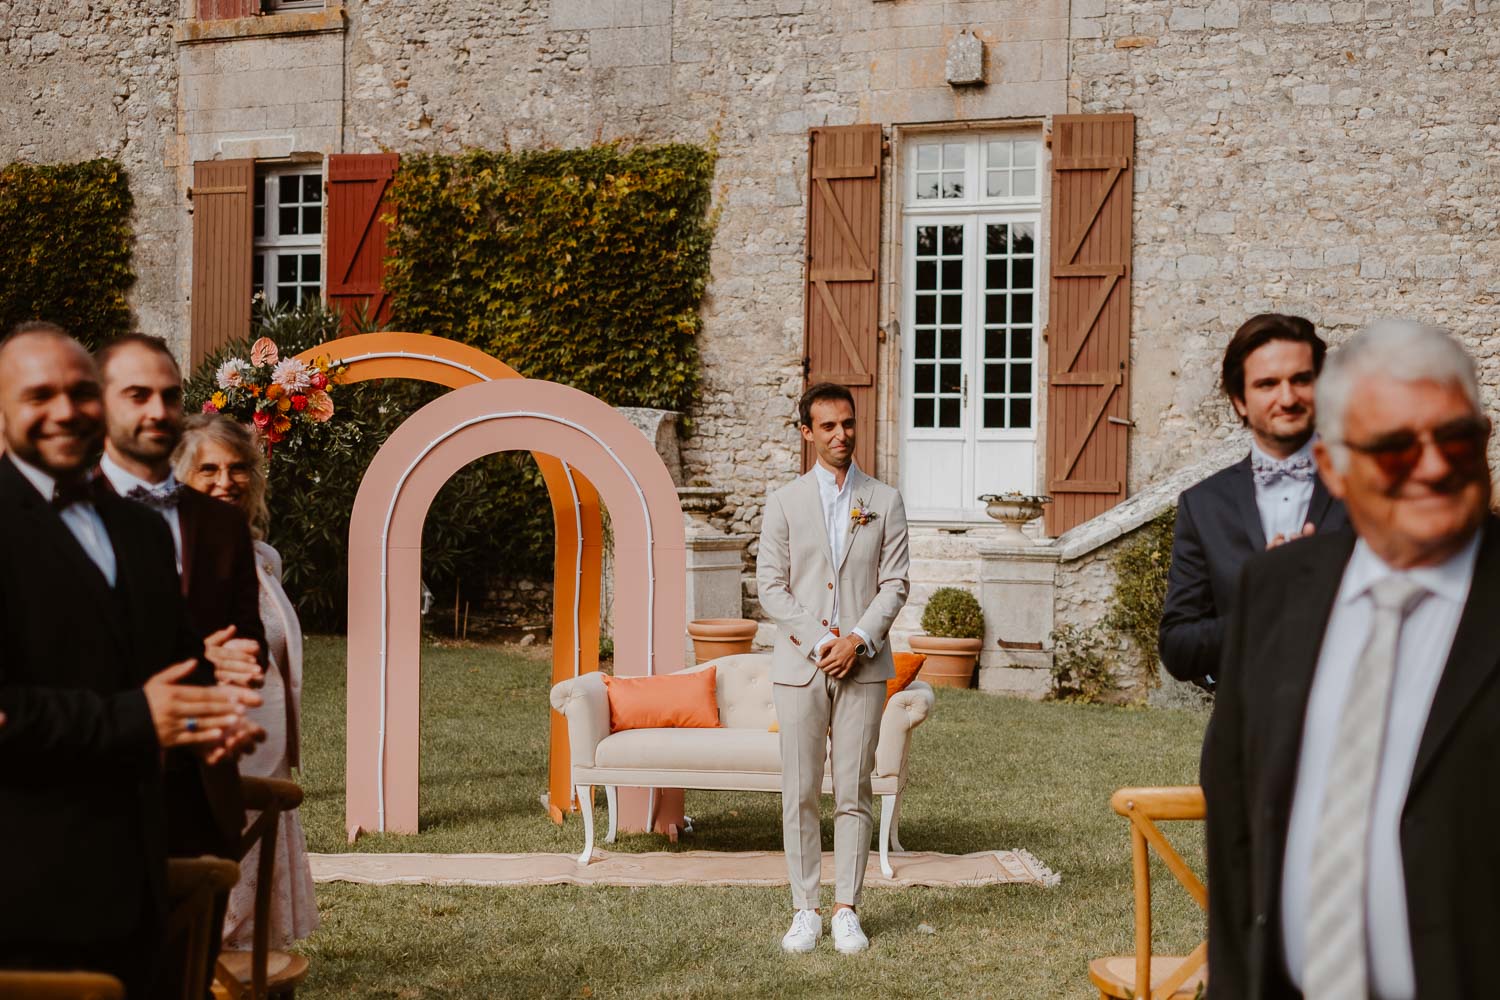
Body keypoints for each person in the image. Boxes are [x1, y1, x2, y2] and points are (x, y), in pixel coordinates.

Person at [1205, 320, 1499, 999]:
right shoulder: (1275, 591)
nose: (1434, 465)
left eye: (1457, 437)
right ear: (1335, 466)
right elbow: (1238, 826)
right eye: (1396, 448)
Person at [0, 323, 260, 996]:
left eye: (82, 392)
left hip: (140, 879)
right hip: (24, 887)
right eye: (39, 395)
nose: (66, 410)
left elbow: (174, 667)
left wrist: (212, 721)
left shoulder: (140, 532)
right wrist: (134, 719)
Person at [96, 332, 267, 861]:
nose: (158, 409)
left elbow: (248, 641)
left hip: (200, 794)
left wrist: (238, 668)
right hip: (94, 795)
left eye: (170, 395)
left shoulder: (220, 525)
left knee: (198, 946)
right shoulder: (58, 511)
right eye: (137, 395)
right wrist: (193, 656)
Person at [756, 382, 910, 955]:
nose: (841, 435)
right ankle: (805, 909)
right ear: (806, 432)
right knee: (799, 791)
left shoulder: (885, 500)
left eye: (848, 424)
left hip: (864, 667)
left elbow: (895, 583)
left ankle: (846, 907)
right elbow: (770, 586)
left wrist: (859, 640)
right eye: (828, 426)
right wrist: (824, 640)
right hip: (800, 666)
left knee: (854, 788)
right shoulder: (784, 502)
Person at [176, 413, 319, 951]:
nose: (224, 480)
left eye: (237, 468)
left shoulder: (263, 559)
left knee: (256, 916)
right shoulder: (170, 556)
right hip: (211, 745)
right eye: (207, 468)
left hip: (268, 742)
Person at [1158, 313, 1348, 690]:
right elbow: (1178, 648)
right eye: (1267, 384)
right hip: (1245, 738)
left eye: (1301, 380)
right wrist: (1258, 607)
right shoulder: (1203, 505)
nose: (1288, 397)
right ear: (1240, 401)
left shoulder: (1372, 486)